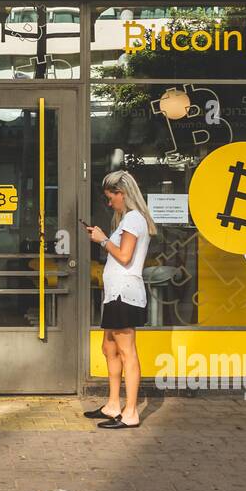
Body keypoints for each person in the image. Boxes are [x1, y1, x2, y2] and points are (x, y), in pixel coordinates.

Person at [83, 170, 156, 429]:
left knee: (127, 352)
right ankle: (114, 404)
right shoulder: (128, 219)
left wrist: (103, 240)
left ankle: (131, 412)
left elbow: (124, 256)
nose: (108, 202)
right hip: (116, 293)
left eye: (110, 197)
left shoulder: (133, 219)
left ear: (121, 194)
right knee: (109, 348)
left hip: (125, 293)